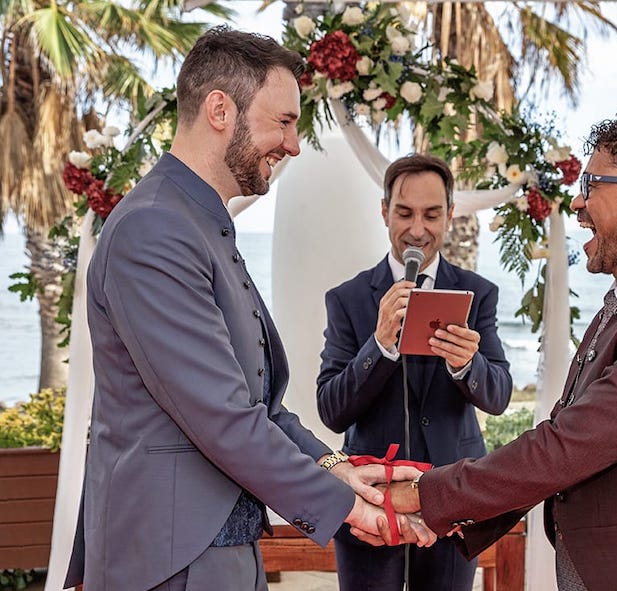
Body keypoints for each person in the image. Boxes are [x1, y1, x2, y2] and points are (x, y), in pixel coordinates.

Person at [65, 26, 432, 591]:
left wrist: (345, 468)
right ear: (219, 110)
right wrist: (354, 511)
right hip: (169, 558)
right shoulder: (154, 229)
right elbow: (223, 418)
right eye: (284, 121)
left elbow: (260, 405)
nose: (293, 144)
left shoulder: (202, 226)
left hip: (221, 549)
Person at [371, 114, 617, 590]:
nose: (577, 201)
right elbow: (565, 444)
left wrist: (421, 495)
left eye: (592, 183)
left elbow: (566, 448)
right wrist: (453, 514)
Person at [317, 153, 513, 591]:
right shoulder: (347, 299)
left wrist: (467, 364)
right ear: (384, 211)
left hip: (453, 493)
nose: (418, 230)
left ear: (449, 215)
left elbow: (498, 396)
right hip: (372, 494)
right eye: (404, 213)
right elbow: (331, 410)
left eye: (431, 214)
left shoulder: (478, 294)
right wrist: (380, 345)